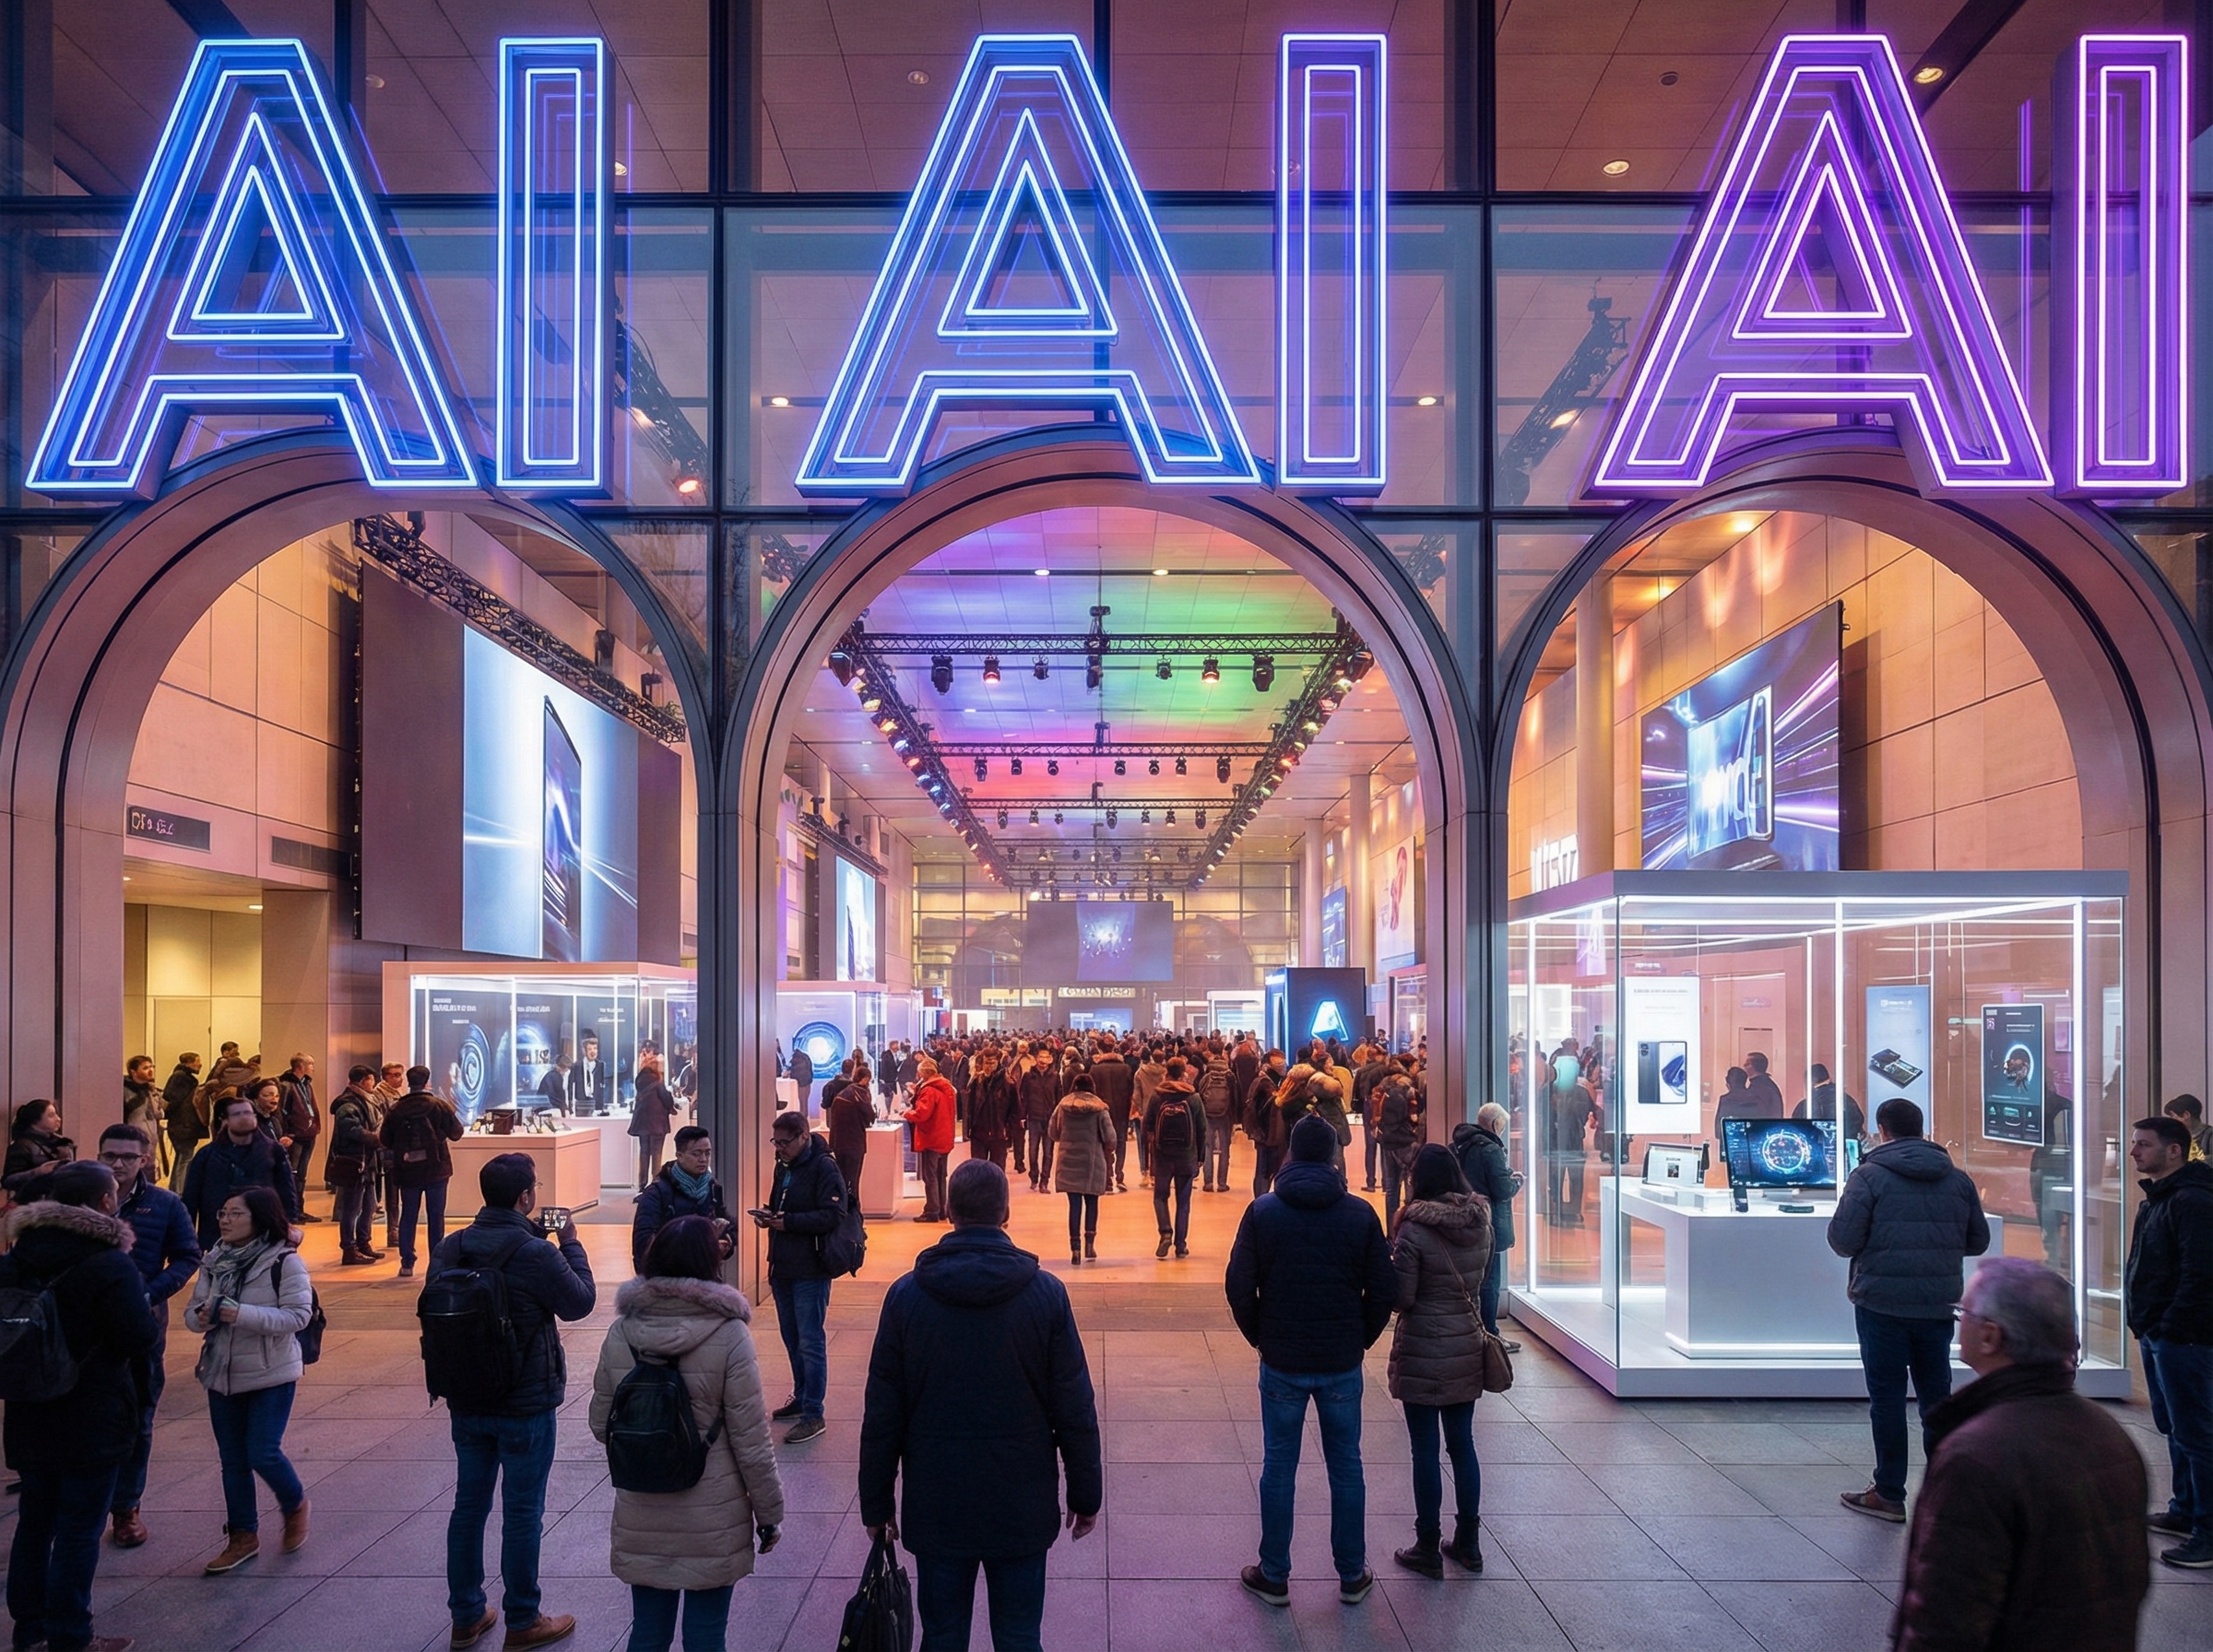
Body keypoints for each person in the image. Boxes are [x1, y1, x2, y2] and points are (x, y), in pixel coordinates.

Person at [859, 1161, 1101, 1652]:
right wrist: (1085, 1493)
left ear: (949, 1210)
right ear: (1005, 1212)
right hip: (1021, 1500)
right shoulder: (1045, 1295)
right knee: (1018, 1634)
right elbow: (1073, 1405)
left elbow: (883, 1412)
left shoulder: (906, 1297)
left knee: (943, 1634)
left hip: (937, 1497)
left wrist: (877, 1501)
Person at [1891, 1258, 2148, 1651]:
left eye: (1964, 1312)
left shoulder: (1975, 1458)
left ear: (1991, 1337)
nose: (1959, 1321)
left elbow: (1944, 1621)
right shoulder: (2109, 1434)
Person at [589, 1216, 786, 1652]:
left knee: (648, 1632)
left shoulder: (622, 1330)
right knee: (705, 1635)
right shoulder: (730, 1334)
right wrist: (769, 1514)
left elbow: (601, 1422)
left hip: (643, 1505)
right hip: (712, 1512)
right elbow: (751, 1440)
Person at [1226, 1114, 1396, 1607]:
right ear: (1334, 1158)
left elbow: (1239, 1285)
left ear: (1291, 1155)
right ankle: (1351, 1574)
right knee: (1346, 1465)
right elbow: (1383, 1289)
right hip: (1341, 1359)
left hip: (1282, 1359)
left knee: (1279, 1464)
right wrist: (1359, 1339)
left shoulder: (1263, 1212)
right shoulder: (1360, 1214)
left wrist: (1262, 1335)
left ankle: (1274, 1573)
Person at [433, 1152, 597, 1652]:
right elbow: (579, 1302)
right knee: (522, 1511)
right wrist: (570, 1243)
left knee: (468, 1505)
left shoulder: (451, 1247)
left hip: (466, 1393)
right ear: (526, 1197)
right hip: (524, 1400)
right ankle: (523, 1619)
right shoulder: (536, 1252)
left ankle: (465, 1614)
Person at [0, 1162, 156, 1652]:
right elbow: (139, 1336)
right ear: (104, 1202)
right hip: (93, 1411)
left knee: (34, 1524)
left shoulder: (15, 1258)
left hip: (29, 1407)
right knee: (78, 1529)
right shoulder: (109, 1263)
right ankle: (72, 1635)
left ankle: (29, 1631)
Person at [1826, 1097, 1990, 1521]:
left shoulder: (1868, 1176)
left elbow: (1843, 1240)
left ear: (1882, 1130)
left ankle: (1889, 1492)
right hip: (1937, 1305)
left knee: (1887, 1399)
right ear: (1922, 1128)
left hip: (1881, 1303)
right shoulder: (1957, 1179)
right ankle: (1945, 1494)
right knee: (1937, 1399)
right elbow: (1978, 1241)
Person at [183, 1186, 314, 1574]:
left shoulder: (284, 1262)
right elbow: (192, 1314)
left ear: (259, 1217)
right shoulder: (215, 1259)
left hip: (271, 1371)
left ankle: (294, 1504)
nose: (224, 1220)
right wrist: (202, 1316)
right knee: (232, 1459)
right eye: (222, 1213)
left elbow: (297, 1317)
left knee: (262, 1451)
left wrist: (241, 1314)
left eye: (235, 1214)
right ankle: (242, 1535)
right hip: (221, 1370)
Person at [1387, 1144, 1492, 1578]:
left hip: (1423, 1350)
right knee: (1462, 1444)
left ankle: (1427, 1545)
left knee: (1425, 1450)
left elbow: (1403, 1296)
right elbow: (1478, 1282)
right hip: (1465, 1346)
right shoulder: (1479, 1223)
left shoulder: (1414, 1230)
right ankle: (1469, 1542)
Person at [98, 1125, 200, 1552]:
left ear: (146, 1159)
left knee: (139, 1415)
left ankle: (126, 1507)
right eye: (109, 1156)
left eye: (126, 1156)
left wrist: (149, 1292)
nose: (117, 1164)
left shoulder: (164, 1203)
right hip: (82, 1326)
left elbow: (187, 1256)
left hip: (141, 1326)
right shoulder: (80, 1199)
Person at [2124, 1112, 2213, 1567]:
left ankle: (2207, 1531)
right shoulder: (2159, 1199)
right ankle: (2184, 1510)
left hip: (2184, 1339)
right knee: (2176, 1429)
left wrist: (2171, 1325)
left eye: (2143, 1144)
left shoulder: (2192, 1201)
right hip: (2161, 1334)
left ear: (2174, 1150)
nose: (2134, 1151)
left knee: (2197, 1434)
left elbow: (2200, 1274)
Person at [757, 1110, 846, 1446]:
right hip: (782, 1266)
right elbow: (779, 1203)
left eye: (784, 1143)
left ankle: (814, 1412)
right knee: (792, 1338)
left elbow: (833, 1214)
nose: (779, 1149)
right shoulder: (784, 1166)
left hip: (811, 1268)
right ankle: (802, 1396)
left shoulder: (824, 1167)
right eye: (775, 1143)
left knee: (810, 1341)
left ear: (804, 1136)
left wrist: (789, 1222)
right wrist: (769, 1217)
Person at [180, 1092, 298, 1251]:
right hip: (217, 1234)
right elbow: (191, 1197)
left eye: (248, 1113)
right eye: (237, 1114)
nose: (244, 1117)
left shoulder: (273, 1150)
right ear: (225, 1120)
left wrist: (288, 1223)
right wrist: (186, 1238)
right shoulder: (207, 1154)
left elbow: (286, 1189)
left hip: (262, 1232)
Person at [380, 1066, 464, 1280]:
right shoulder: (439, 1106)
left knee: (408, 1214)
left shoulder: (397, 1108)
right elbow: (457, 1133)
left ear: (409, 1081)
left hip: (407, 1171)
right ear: (427, 1081)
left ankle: (407, 1262)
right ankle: (436, 1264)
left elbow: (385, 1140)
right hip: (437, 1169)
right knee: (436, 1216)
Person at [1451, 1103, 1522, 1352]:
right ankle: (1490, 1333)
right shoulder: (1490, 1149)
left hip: (1468, 1219)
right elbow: (1502, 1189)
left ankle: (1472, 1330)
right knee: (1491, 1281)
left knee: (1473, 1278)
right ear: (1495, 1125)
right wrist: (1516, 1182)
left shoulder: (1461, 1145)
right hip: (1490, 1222)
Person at [632, 1126, 732, 1272]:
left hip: (705, 1278)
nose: (703, 1159)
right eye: (696, 1154)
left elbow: (727, 1226)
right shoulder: (657, 1193)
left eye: (707, 1153)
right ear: (680, 1155)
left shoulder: (712, 1187)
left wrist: (725, 1245)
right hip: (668, 1281)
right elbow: (643, 1246)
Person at [1047, 1073, 1116, 1267]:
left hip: (1069, 1162)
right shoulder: (1100, 1108)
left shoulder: (1063, 1106)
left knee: (1074, 1205)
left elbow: (1053, 1132)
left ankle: (1075, 1249)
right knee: (1092, 1202)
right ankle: (1089, 1245)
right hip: (1092, 1163)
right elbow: (1111, 1137)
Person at [1142, 1056, 1206, 1260]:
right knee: (1183, 1201)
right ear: (1183, 1073)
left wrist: (1151, 1150)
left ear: (1166, 1072)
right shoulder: (1193, 1097)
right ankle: (1181, 1245)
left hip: (1162, 1156)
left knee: (1160, 1197)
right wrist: (1200, 1156)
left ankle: (1165, 1232)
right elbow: (1202, 1128)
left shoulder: (1158, 1096)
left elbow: (1147, 1126)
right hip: (1187, 1155)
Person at [326, 1067, 385, 1266]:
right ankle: (349, 1248)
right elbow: (351, 1130)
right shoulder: (348, 1104)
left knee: (369, 1206)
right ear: (363, 1081)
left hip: (367, 1161)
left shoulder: (367, 1100)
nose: (373, 1084)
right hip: (354, 1161)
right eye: (371, 1080)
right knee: (351, 1208)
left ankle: (363, 1242)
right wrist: (376, 1138)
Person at [902, 1056, 956, 1224]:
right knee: (941, 1175)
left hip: (931, 1137)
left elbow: (922, 1114)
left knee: (930, 1176)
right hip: (945, 1137)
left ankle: (932, 1210)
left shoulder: (929, 1090)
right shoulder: (946, 1087)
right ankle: (942, 1209)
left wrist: (907, 1114)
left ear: (924, 1074)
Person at [1371, 1060, 1422, 1229]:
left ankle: (1391, 1232)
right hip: (1406, 1141)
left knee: (1391, 1189)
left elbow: (1375, 1116)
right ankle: (1408, 1228)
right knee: (1410, 1184)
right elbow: (1415, 1113)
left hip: (1387, 1141)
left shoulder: (1380, 1090)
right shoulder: (1408, 1089)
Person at [1087, 1035, 1135, 1193]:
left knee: (1103, 1142)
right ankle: (1119, 1175)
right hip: (1122, 1110)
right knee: (1121, 1142)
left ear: (1100, 1049)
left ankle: (1107, 1177)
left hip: (1102, 1112)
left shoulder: (1095, 1069)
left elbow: (1092, 1093)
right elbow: (1130, 1092)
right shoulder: (1125, 1068)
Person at [275, 1055, 320, 1221]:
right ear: (300, 1066)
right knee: (292, 1174)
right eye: (310, 1064)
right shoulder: (286, 1085)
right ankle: (291, 1211)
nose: (313, 1068)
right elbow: (281, 1111)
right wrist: (287, 1133)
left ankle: (299, 1209)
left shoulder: (306, 1084)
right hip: (295, 1136)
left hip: (308, 1135)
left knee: (301, 1175)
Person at [629, 1052, 681, 1193]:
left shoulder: (639, 1080)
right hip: (657, 1123)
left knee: (644, 1152)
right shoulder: (658, 1082)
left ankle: (642, 1183)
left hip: (642, 1123)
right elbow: (666, 1098)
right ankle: (655, 1182)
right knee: (657, 1152)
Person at [963, 1049, 1018, 1174]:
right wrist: (969, 1130)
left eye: (992, 1063)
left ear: (998, 1062)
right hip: (978, 1133)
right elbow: (969, 1109)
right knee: (977, 1171)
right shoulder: (976, 1081)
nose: (988, 1066)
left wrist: (1009, 1132)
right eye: (986, 1062)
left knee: (997, 1172)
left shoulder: (1008, 1082)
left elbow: (1015, 1110)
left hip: (998, 1134)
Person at [1245, 1048, 1288, 1197]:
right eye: (1280, 1062)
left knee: (1263, 1170)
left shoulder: (1261, 1080)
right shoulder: (1267, 1084)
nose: (1283, 1065)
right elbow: (1271, 1109)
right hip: (1269, 1134)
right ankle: (1261, 1202)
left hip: (1263, 1133)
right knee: (1265, 1171)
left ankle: (1260, 1201)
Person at [826, 1070, 874, 1201]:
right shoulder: (860, 1094)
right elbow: (870, 1117)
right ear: (864, 1079)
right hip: (855, 1142)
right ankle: (853, 1212)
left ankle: (842, 1210)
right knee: (853, 1182)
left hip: (838, 1143)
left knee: (842, 1179)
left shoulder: (842, 1094)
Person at [6, 1097, 75, 1186]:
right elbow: (9, 1180)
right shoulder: (21, 1145)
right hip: (32, 1196)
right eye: (51, 1116)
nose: (58, 1119)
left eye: (56, 1114)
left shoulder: (62, 1143)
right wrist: (39, 1171)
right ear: (35, 1120)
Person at [163, 1051, 207, 1190]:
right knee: (185, 1160)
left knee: (181, 1158)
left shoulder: (178, 1077)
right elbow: (175, 1102)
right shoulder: (184, 1080)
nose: (200, 1064)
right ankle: (181, 1192)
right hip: (185, 1126)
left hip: (179, 1126)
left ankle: (174, 1189)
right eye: (197, 1061)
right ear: (188, 1063)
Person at [1019, 1050, 1059, 1193]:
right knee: (1032, 1151)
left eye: (1046, 1058)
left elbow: (1059, 1099)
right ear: (1036, 1059)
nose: (1043, 1061)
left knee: (1048, 1152)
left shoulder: (1055, 1077)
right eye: (1040, 1058)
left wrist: (1058, 1119)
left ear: (1050, 1060)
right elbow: (1022, 1098)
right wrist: (1023, 1116)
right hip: (1034, 1118)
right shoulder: (1028, 1077)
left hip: (1049, 1119)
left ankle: (1044, 1181)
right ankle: (1034, 1176)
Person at [1793, 1063, 1865, 1140]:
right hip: (1846, 1149)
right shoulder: (1847, 1100)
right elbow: (1859, 1124)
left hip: (1816, 1150)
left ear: (1809, 1083)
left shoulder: (1804, 1106)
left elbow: (1797, 1132)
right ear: (1829, 1078)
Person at [1197, 1051, 1237, 1192]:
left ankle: (1208, 1183)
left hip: (1208, 1115)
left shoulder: (1207, 1078)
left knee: (1208, 1147)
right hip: (1225, 1115)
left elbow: (1199, 1095)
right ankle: (1222, 1183)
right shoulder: (1229, 1077)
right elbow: (1236, 1097)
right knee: (1224, 1149)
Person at [122, 1057, 162, 1176]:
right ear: (134, 1072)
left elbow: (159, 1114)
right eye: (145, 1068)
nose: (150, 1070)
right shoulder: (125, 1091)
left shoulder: (151, 1091)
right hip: (132, 1145)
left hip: (150, 1146)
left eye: (152, 1067)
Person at [567, 1033, 609, 1115]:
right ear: (584, 1051)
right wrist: (570, 1107)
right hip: (580, 1106)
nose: (593, 1051)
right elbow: (570, 1087)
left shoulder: (601, 1065)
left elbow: (602, 1087)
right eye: (590, 1049)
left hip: (596, 1107)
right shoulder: (576, 1066)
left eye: (595, 1048)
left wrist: (601, 1107)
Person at [2165, 1093, 2213, 1162]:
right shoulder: (2176, 1138)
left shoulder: (2210, 1134)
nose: (2171, 1120)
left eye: (2172, 1116)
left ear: (2186, 1115)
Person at [1743, 1050, 1786, 1117]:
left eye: (1747, 1063)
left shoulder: (1761, 1087)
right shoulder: (1767, 1084)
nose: (1744, 1065)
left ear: (1756, 1065)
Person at [787, 1042, 814, 1117]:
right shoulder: (805, 1058)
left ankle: (802, 1119)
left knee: (801, 1102)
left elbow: (795, 1073)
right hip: (807, 1082)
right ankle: (805, 1119)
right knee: (805, 1102)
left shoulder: (797, 1061)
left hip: (801, 1084)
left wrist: (790, 1074)